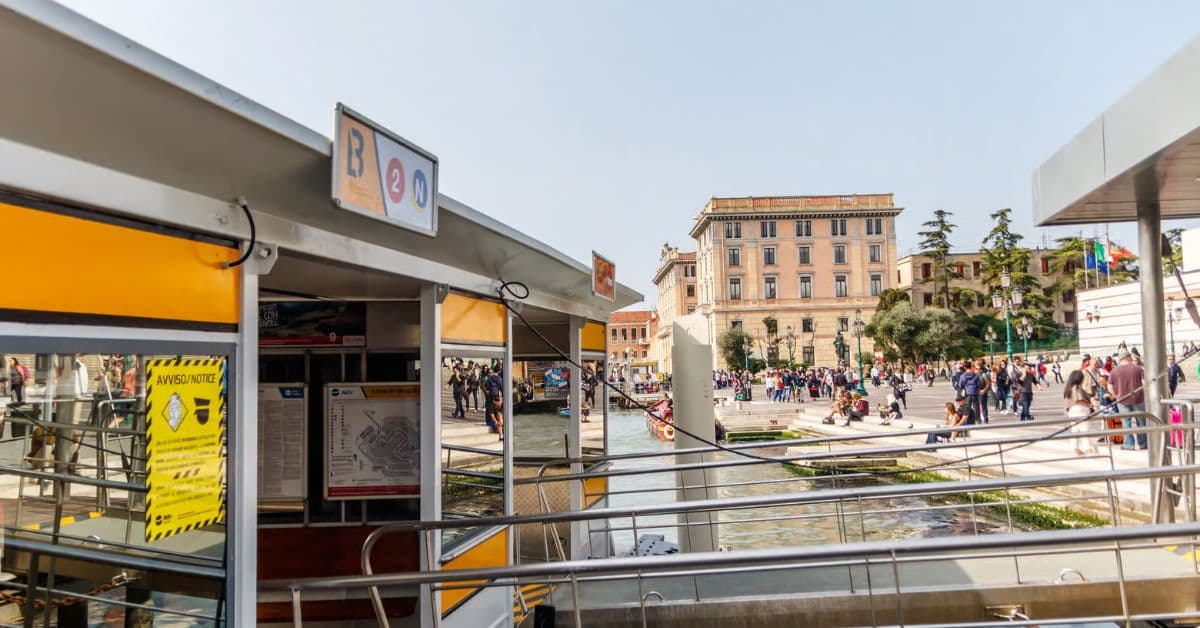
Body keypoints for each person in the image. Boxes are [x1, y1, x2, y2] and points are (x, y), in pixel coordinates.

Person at [1109, 348, 1146, 450]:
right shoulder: (1138, 369)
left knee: (1126, 423)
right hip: (1138, 399)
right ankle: (1143, 444)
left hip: (1122, 400)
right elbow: (1144, 383)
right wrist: (1144, 395)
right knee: (1141, 422)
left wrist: (1115, 396)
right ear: (1128, 357)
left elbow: (1110, 386)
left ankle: (1129, 445)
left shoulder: (1114, 371)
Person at [1063, 370, 1096, 456]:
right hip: (1080, 410)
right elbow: (1078, 400)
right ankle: (1088, 449)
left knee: (1075, 430)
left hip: (1072, 410)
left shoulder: (1069, 388)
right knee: (1085, 430)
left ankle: (1075, 449)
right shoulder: (1076, 388)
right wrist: (1089, 405)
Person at [486, 366, 505, 440]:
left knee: (498, 416)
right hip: (496, 397)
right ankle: (501, 434)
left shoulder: (490, 378)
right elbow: (502, 388)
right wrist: (501, 399)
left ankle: (501, 435)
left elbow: (487, 386)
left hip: (492, 397)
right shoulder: (499, 378)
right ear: (499, 371)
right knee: (499, 416)